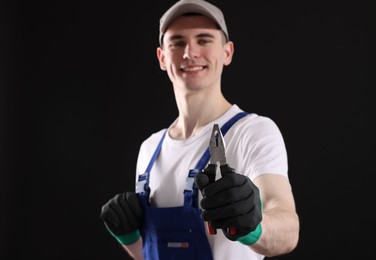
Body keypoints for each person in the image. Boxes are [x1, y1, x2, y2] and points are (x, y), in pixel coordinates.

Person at [100, 0, 300, 259]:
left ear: (227, 52)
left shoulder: (252, 132)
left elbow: (288, 231)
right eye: (177, 42)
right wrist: (128, 237)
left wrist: (255, 227)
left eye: (204, 40)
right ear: (162, 57)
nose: (189, 53)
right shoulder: (150, 149)